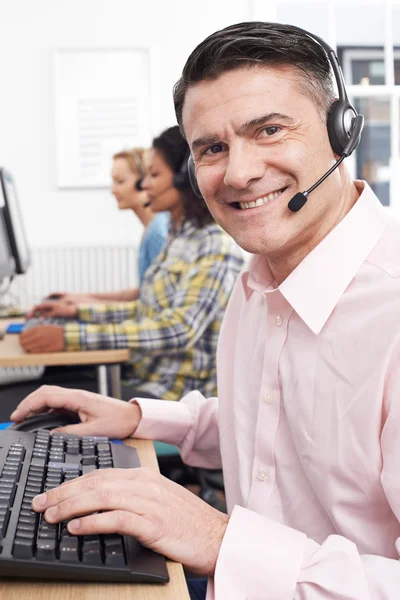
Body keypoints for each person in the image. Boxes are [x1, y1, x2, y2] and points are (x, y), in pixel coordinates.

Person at [10, 21, 400, 599]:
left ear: (343, 131)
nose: (238, 173)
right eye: (212, 148)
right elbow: (283, 422)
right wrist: (141, 417)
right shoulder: (260, 278)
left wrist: (219, 539)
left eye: (269, 129)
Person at [19, 126, 244, 402]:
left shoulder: (214, 244)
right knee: (49, 381)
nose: (144, 185)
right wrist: (78, 314)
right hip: (144, 377)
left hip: (173, 396)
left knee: (32, 398)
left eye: (154, 174)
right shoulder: (180, 235)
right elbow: (145, 310)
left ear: (186, 178)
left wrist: (70, 337)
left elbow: (178, 329)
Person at [45, 147, 169, 305]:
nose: (113, 190)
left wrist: (83, 305)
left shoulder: (158, 232)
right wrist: (81, 298)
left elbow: (154, 305)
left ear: (143, 183)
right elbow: (143, 292)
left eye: (120, 181)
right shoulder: (152, 227)